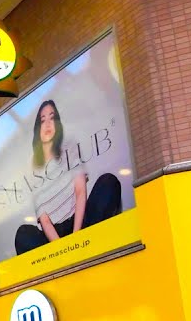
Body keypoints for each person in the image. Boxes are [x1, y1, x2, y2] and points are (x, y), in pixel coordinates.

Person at [13, 99, 122, 256]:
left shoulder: (69, 148)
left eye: (52, 118)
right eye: (43, 120)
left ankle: (87, 245)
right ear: (38, 128)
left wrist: (77, 238)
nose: (48, 124)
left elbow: (80, 192)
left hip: (80, 222)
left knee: (108, 182)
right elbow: (44, 220)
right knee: (23, 234)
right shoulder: (33, 168)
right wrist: (62, 250)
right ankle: (65, 260)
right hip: (53, 238)